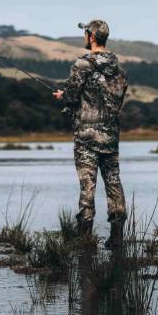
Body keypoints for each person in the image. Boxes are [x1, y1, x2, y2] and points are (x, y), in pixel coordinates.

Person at [53, 20, 128, 247]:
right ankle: (116, 236)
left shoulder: (82, 64)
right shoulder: (119, 67)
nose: (84, 37)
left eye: (85, 33)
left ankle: (84, 237)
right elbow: (118, 99)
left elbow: (72, 96)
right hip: (111, 135)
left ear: (92, 36)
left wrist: (62, 96)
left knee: (88, 185)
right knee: (113, 182)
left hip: (86, 136)